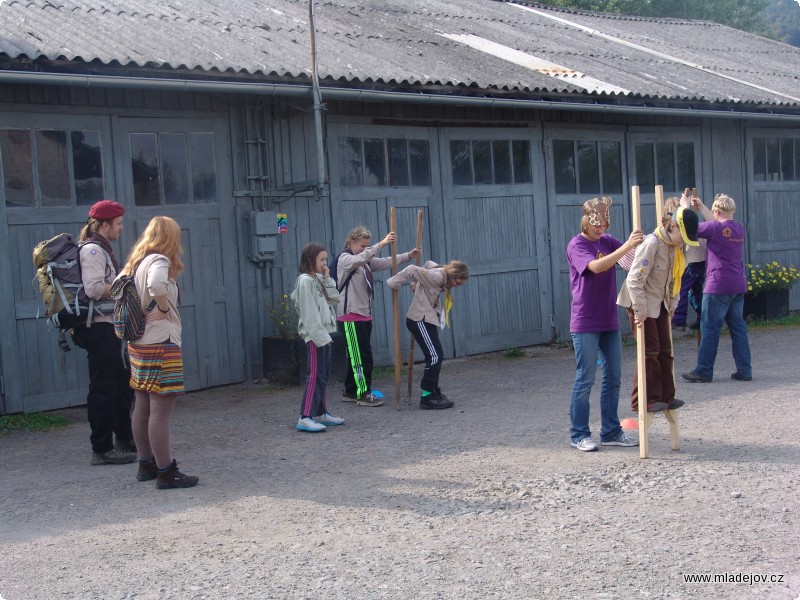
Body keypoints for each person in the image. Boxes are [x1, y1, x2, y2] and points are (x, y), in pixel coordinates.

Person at [121, 216, 198, 489]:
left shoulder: (135, 262)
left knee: (141, 406)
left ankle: (147, 464)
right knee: (160, 411)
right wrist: (162, 308)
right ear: (169, 238)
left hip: (139, 343)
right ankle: (166, 471)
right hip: (161, 342)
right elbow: (155, 286)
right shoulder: (159, 261)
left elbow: (117, 290)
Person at [566, 197, 643, 452]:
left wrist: (649, 243)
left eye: (604, 224)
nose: (600, 229)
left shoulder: (607, 241)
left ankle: (610, 430)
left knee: (613, 377)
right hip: (585, 321)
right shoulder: (577, 244)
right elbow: (596, 266)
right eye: (596, 224)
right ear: (585, 221)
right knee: (586, 378)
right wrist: (626, 247)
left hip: (609, 319)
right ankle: (578, 434)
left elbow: (631, 261)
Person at [618, 205, 699, 413]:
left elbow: (674, 279)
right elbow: (635, 279)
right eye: (682, 235)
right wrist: (640, 310)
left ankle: (666, 396)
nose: (683, 241)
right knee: (649, 352)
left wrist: (673, 304)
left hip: (659, 302)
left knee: (666, 350)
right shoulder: (651, 244)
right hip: (641, 302)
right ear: (672, 227)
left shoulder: (673, 247)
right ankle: (644, 400)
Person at [73, 200, 136, 466]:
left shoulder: (103, 249)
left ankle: (124, 437)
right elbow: (94, 289)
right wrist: (125, 285)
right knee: (104, 387)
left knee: (123, 384)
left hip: (110, 326)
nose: (121, 228)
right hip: (98, 328)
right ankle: (101, 448)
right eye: (118, 223)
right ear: (105, 224)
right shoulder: (93, 252)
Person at [336, 227, 420, 407]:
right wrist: (381, 243)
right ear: (351, 243)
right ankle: (362, 393)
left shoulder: (364, 262)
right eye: (362, 246)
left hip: (364, 314)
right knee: (361, 358)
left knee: (357, 356)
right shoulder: (346, 259)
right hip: (350, 316)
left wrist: (408, 256)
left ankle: (350, 391)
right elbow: (361, 257)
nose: (365, 249)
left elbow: (385, 262)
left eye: (367, 246)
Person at [682, 194, 752, 383]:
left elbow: (689, 228)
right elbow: (717, 223)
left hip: (717, 285)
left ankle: (704, 370)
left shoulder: (713, 228)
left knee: (709, 328)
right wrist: (703, 206)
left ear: (717, 211)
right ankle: (745, 370)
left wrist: (686, 208)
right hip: (737, 285)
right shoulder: (738, 229)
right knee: (738, 328)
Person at [386, 259, 469, 410]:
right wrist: (394, 281)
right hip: (419, 319)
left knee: (437, 355)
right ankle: (427, 397)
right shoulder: (438, 277)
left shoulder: (442, 276)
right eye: (458, 282)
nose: (458, 286)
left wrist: (417, 283)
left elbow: (428, 264)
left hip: (428, 319)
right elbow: (412, 268)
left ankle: (434, 392)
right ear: (453, 275)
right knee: (435, 356)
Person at [291, 242, 345, 432]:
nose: (325, 263)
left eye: (326, 259)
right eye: (321, 259)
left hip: (326, 333)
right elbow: (309, 314)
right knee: (315, 375)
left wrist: (328, 278)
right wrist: (321, 336)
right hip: (316, 337)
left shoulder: (319, 279)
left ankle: (321, 412)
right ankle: (305, 416)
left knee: (324, 374)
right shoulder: (305, 281)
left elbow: (335, 298)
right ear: (309, 260)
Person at [671, 193, 707, 332]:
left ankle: (679, 319)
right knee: (697, 291)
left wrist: (684, 206)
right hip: (701, 259)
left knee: (681, 288)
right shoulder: (695, 221)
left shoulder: (685, 221)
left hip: (692, 260)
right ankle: (703, 318)